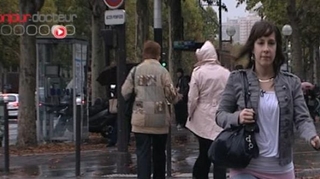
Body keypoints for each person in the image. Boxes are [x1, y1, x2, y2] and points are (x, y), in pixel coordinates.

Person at [216, 20, 320, 179]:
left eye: (271, 43)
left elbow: (302, 118)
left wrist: (313, 136)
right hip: (245, 167)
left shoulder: (291, 83)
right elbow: (220, 115)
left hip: (281, 169)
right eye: (261, 43)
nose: (266, 49)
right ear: (252, 47)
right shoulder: (237, 79)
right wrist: (238, 117)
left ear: (277, 48)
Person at [121, 40, 180, 179]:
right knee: (159, 154)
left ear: (144, 53)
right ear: (158, 55)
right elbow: (171, 95)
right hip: (159, 120)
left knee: (142, 155)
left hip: (140, 119)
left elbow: (125, 91)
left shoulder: (135, 70)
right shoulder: (163, 71)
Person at [186, 41, 230, 179]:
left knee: (204, 152)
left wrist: (190, 114)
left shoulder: (198, 73)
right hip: (221, 117)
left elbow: (192, 98)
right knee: (219, 156)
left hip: (202, 116)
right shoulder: (226, 73)